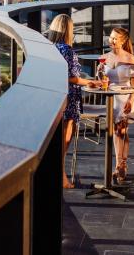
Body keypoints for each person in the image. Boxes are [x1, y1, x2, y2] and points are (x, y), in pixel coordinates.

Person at [46, 14, 101, 189]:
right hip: (69, 98)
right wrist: (91, 82)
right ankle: (60, 177)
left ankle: (57, 176)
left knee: (60, 140)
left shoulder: (51, 48)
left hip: (56, 95)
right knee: (65, 141)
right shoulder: (67, 50)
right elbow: (71, 77)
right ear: (68, 29)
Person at [100, 27, 134, 184]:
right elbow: (104, 79)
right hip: (111, 96)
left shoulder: (130, 58)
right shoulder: (105, 57)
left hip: (125, 96)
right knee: (119, 132)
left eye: (115, 38)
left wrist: (132, 100)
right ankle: (121, 164)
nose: (111, 41)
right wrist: (100, 72)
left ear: (123, 41)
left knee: (121, 131)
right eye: (110, 37)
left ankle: (119, 165)